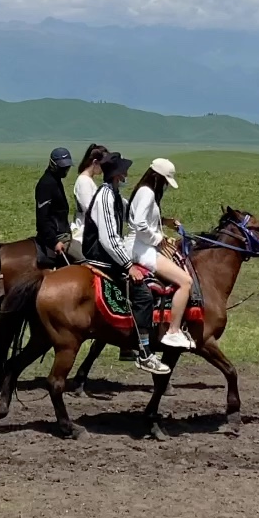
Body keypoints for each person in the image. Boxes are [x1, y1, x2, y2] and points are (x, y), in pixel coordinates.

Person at [83, 152, 169, 374]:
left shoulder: (112, 194)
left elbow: (130, 212)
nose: (127, 173)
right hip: (101, 256)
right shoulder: (105, 197)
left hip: (107, 253)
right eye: (124, 170)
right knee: (142, 293)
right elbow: (109, 238)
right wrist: (128, 265)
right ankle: (143, 351)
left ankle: (127, 343)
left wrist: (163, 221)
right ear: (118, 175)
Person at [128, 157, 195, 350]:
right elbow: (140, 224)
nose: (166, 186)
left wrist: (165, 222)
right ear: (158, 178)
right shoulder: (147, 193)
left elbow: (145, 220)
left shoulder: (144, 191)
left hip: (144, 244)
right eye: (165, 181)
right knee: (185, 281)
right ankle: (173, 331)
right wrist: (160, 240)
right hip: (140, 248)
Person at [35, 146, 75, 268]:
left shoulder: (55, 181)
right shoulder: (46, 184)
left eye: (67, 167)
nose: (65, 170)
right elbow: (42, 218)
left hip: (62, 232)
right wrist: (54, 242)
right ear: (53, 164)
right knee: (84, 260)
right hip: (57, 236)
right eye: (62, 167)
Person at [67, 143, 108, 264]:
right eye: (102, 164)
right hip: (84, 231)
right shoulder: (84, 181)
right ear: (95, 162)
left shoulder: (88, 180)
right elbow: (89, 209)